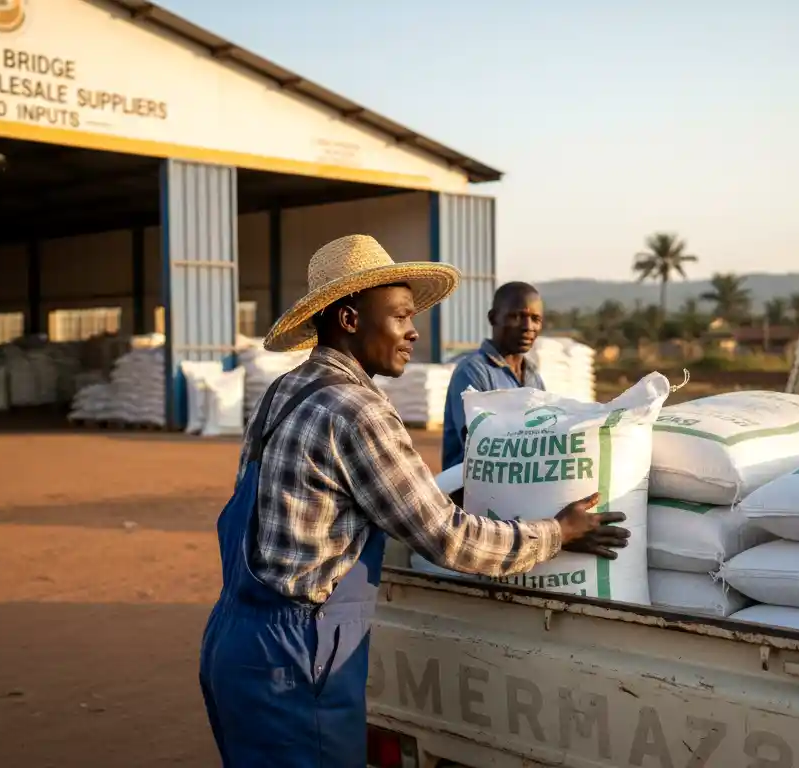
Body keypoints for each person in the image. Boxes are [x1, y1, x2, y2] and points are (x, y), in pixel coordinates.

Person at [198, 235, 629, 767]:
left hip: (234, 642)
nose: (413, 330)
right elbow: (449, 538)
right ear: (351, 319)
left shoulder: (287, 390)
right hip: (295, 658)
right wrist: (558, 532)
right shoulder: (358, 411)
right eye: (400, 315)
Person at [441, 281, 546, 469]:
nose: (527, 326)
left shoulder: (533, 376)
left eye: (535, 319)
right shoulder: (472, 372)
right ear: (493, 318)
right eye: (516, 316)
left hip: (520, 482)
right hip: (474, 491)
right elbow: (480, 445)